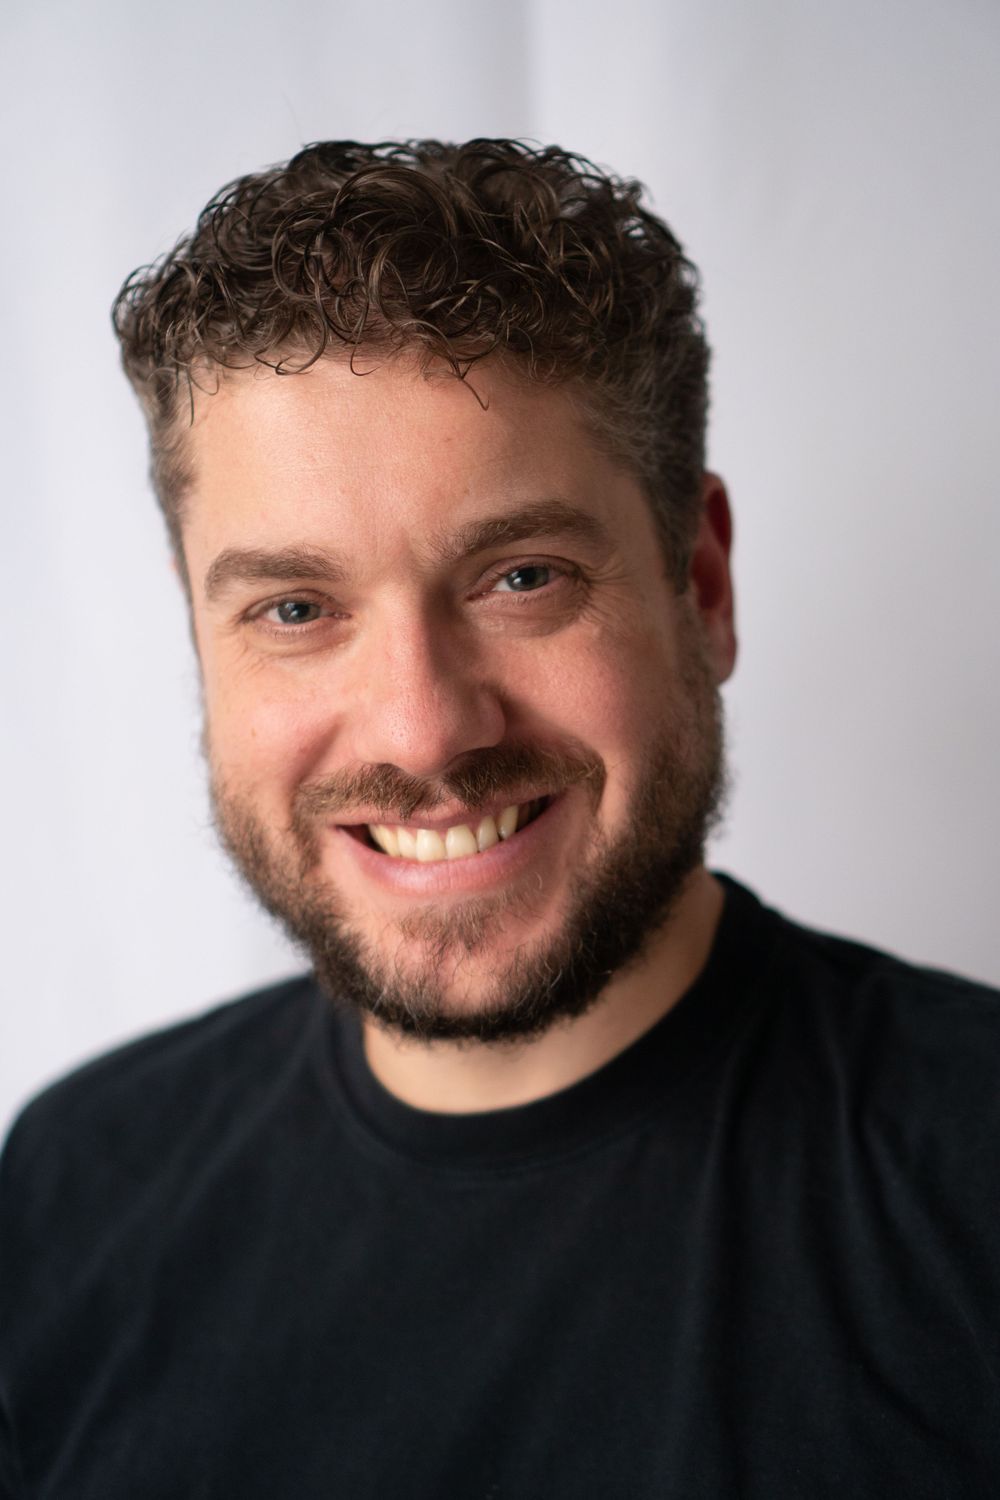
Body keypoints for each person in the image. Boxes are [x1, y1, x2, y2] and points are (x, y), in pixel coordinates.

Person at [1, 139, 997, 1499]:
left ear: (699, 586)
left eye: (521, 576)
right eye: (296, 610)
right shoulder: (67, 1193)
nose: (421, 730)